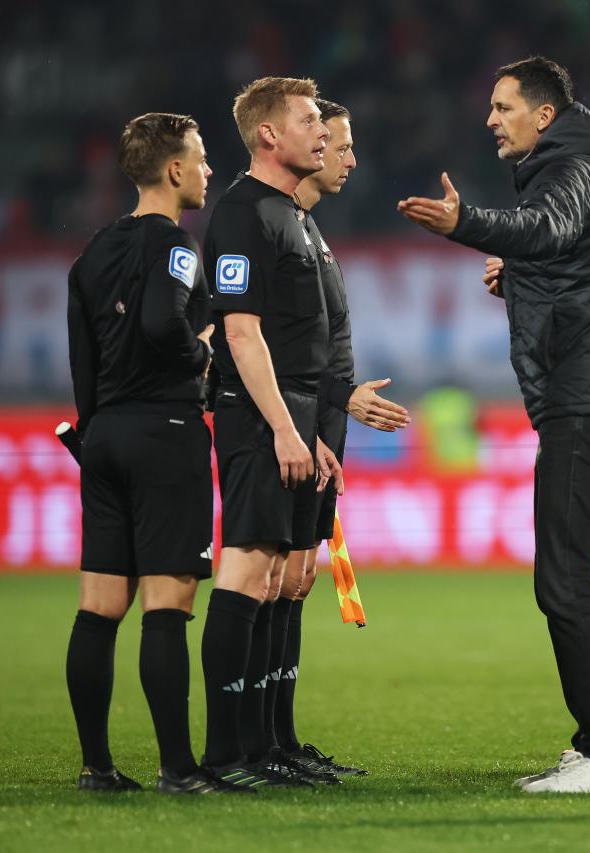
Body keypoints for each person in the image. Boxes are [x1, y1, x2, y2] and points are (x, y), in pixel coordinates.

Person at [398, 55, 590, 793]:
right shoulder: (573, 169)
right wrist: (519, 278)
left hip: (587, 395)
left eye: (503, 106)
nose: (490, 119)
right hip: (588, 390)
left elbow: (546, 229)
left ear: (544, 115)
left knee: (563, 580)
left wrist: (467, 224)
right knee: (562, 579)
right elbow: (570, 259)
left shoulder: (567, 170)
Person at [65, 112, 239, 793]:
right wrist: (202, 353)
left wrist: (92, 429)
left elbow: (83, 356)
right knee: (167, 606)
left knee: (99, 606)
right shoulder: (177, 245)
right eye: (200, 158)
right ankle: (178, 768)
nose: (207, 170)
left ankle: (97, 766)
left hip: (105, 433)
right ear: (173, 169)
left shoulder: (92, 253)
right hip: (165, 432)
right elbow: (165, 321)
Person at [199, 75, 342, 790]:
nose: (321, 132)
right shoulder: (245, 213)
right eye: (308, 120)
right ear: (268, 134)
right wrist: (285, 427)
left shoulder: (288, 213)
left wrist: (309, 428)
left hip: (292, 413)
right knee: (247, 571)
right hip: (258, 414)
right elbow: (241, 333)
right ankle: (224, 754)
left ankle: (259, 749)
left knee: (273, 577)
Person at [261, 98, 409, 779]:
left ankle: (281, 741)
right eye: (334, 144)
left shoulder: (309, 229)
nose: (344, 157)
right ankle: (259, 744)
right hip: (293, 426)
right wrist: (334, 403)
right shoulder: (275, 228)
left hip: (318, 428)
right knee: (273, 580)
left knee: (296, 580)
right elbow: (271, 346)